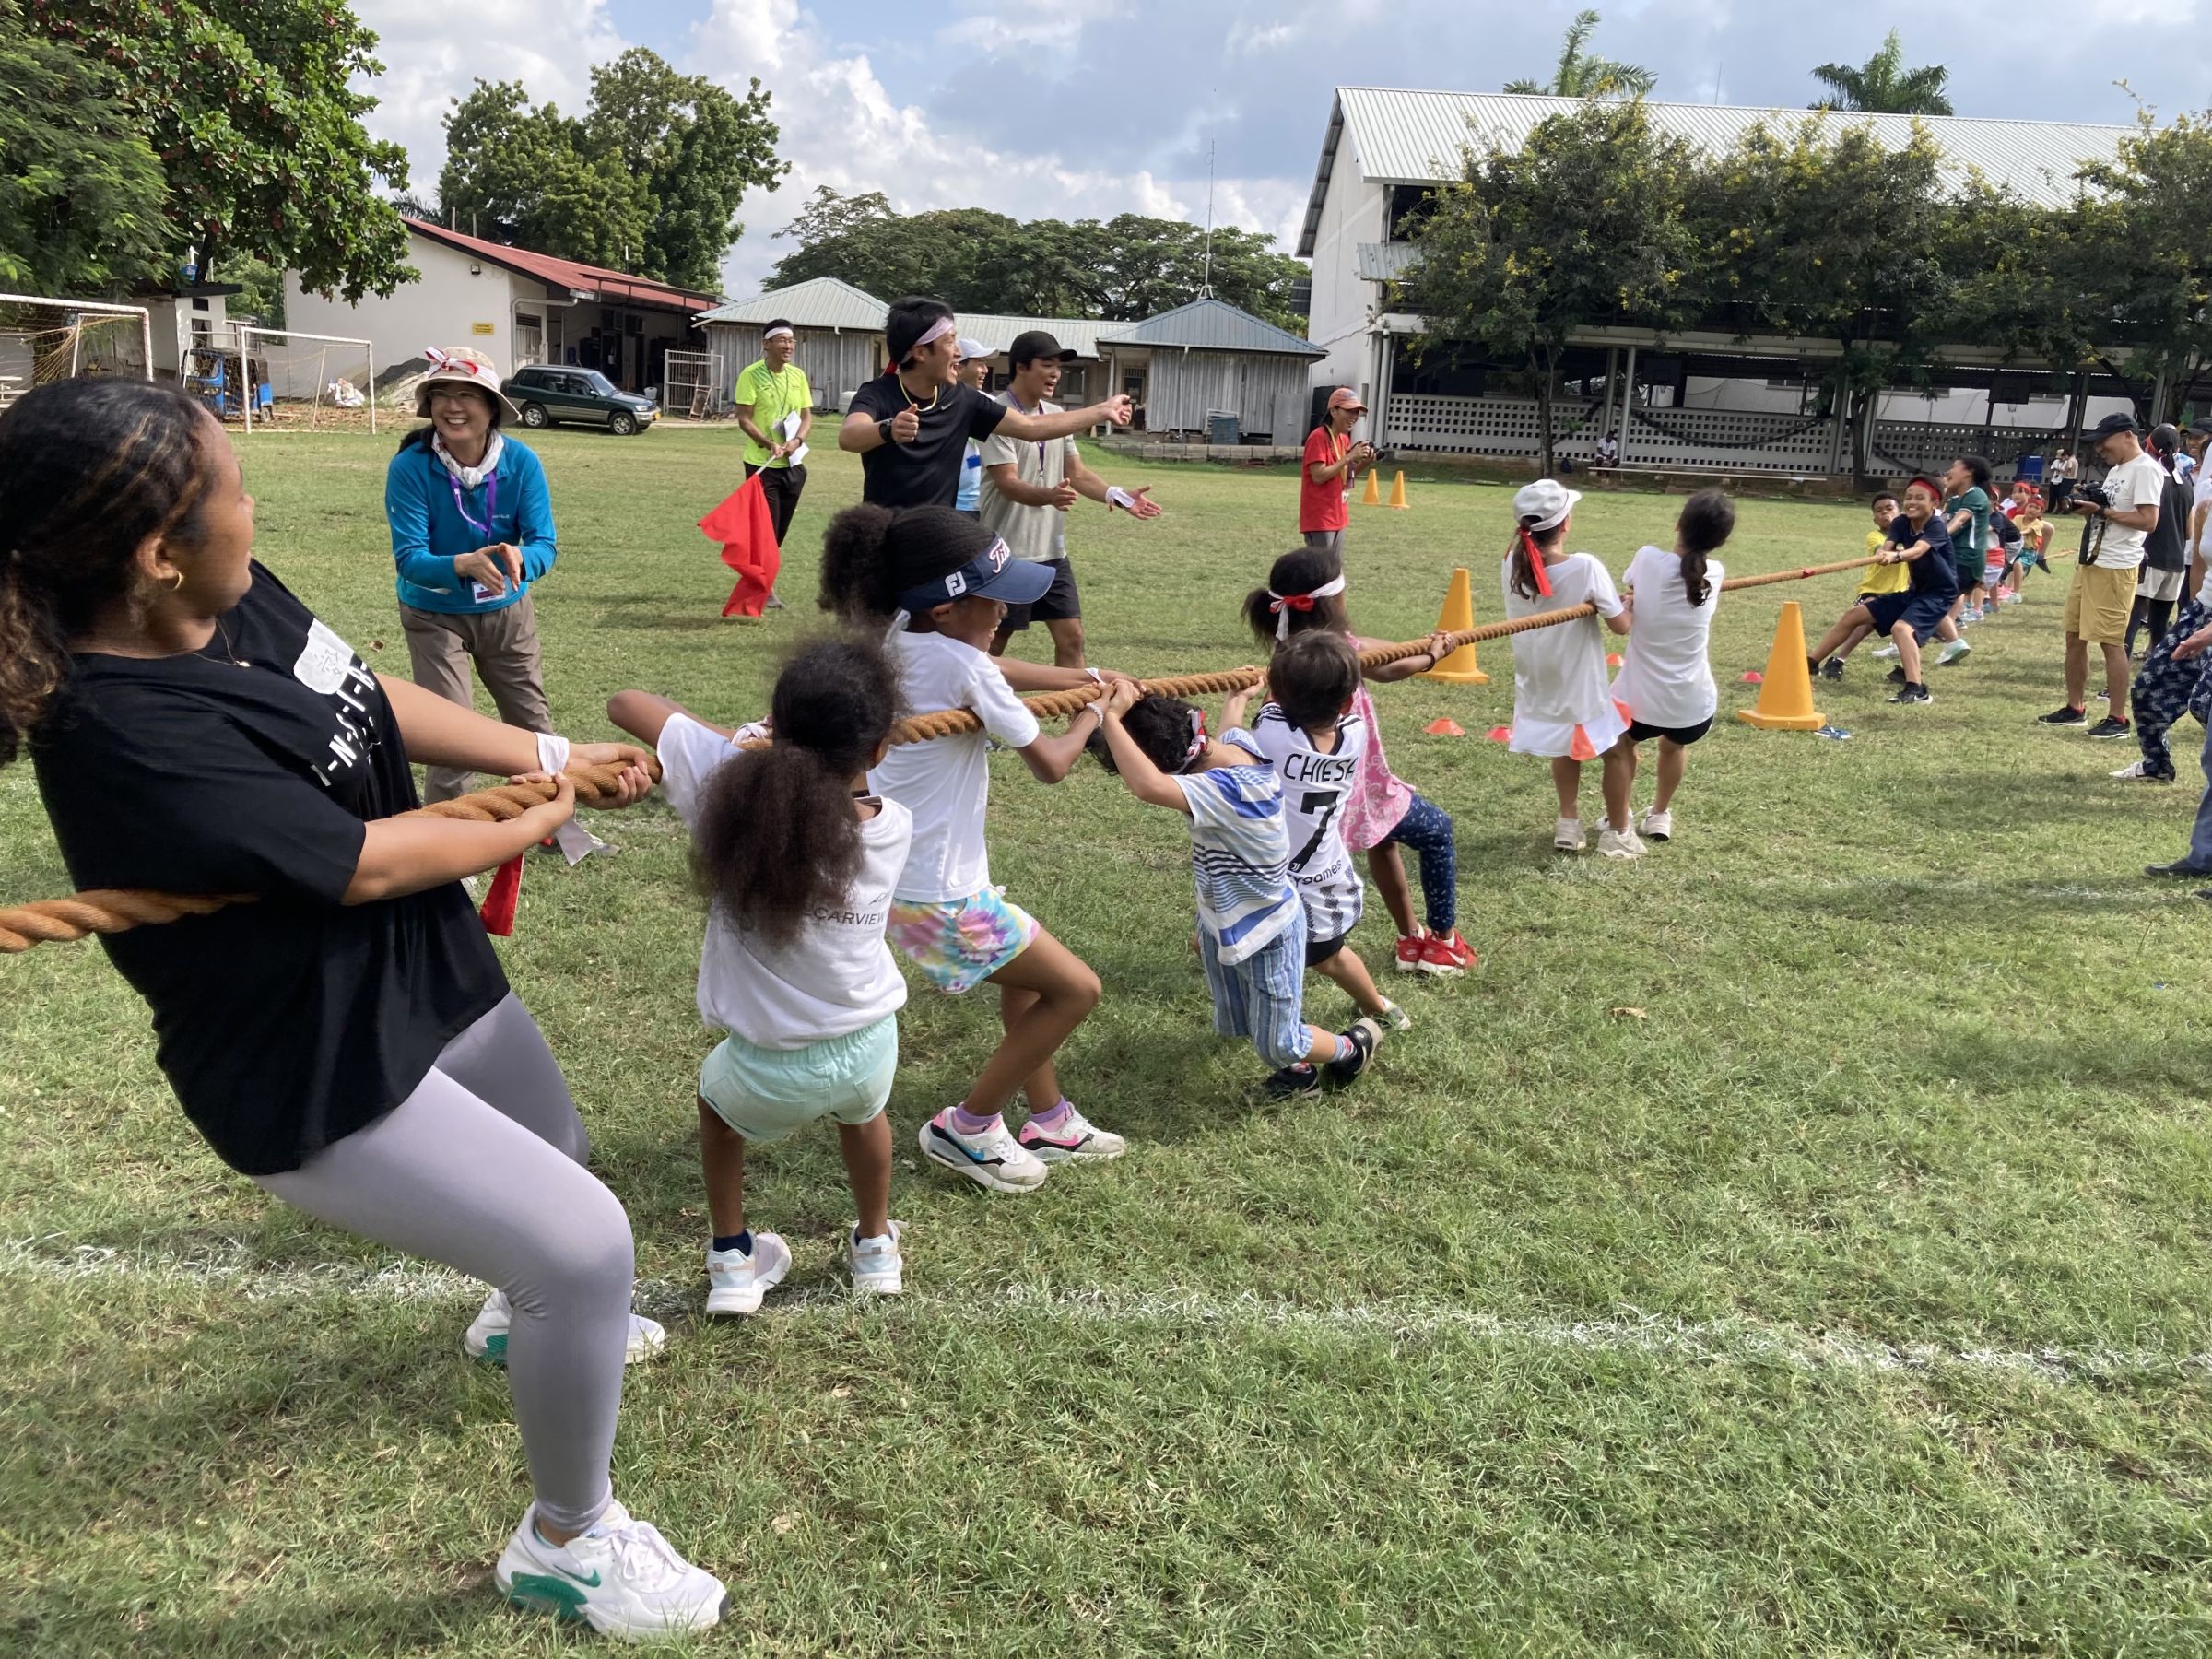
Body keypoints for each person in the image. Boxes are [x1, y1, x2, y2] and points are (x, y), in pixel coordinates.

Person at [0, 378, 724, 1641]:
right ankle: (568, 1540)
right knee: (583, 1245)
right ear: (155, 557)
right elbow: (363, 857)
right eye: (233, 490)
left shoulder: (224, 603)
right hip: (309, 1051)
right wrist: (545, 816)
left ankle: (522, 1319)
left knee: (555, 1155)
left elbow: (365, 695)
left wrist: (544, 756)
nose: (254, 501)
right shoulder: (118, 728)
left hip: (414, 961)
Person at [817, 503, 1121, 1192]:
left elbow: (988, 667)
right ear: (950, 609)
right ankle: (971, 1125)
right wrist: (1096, 711)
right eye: (997, 602)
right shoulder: (969, 669)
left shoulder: (895, 634)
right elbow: (1051, 764)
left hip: (905, 874)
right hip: (941, 892)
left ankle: (1049, 1120)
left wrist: (1083, 676)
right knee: (1076, 990)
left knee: (1027, 985)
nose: (1008, 617)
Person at [606, 639, 912, 1312]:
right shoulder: (896, 828)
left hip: (764, 1068)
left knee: (717, 1116)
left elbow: (625, 705)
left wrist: (736, 742)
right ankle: (876, 1246)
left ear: (775, 730)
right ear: (881, 750)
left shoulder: (729, 796)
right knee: (866, 1118)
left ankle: (732, 1262)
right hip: (869, 1049)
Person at [1088, 678, 1380, 1099]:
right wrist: (1237, 697)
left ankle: (1351, 1049)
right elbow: (1231, 729)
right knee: (1240, 1017)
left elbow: (1147, 786)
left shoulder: (1227, 791)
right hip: (1223, 918)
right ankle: (1296, 1075)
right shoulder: (1241, 753)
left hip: (1270, 929)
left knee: (1280, 1040)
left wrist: (1112, 717)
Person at [1243, 547, 1475, 976]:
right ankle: (1444, 942)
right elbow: (1388, 668)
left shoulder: (1290, 651)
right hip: (1353, 790)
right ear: (1334, 600)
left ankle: (1410, 939)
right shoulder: (1338, 650)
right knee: (1437, 831)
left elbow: (1376, 652)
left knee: (1381, 841)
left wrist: (1424, 643)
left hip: (1309, 793)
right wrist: (1432, 655)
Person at [385, 347, 565, 804]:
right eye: (441, 394)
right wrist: (461, 565)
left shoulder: (521, 463)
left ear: (492, 408)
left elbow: (545, 545)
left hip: (507, 611)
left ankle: (555, 826)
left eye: (467, 394)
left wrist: (522, 559)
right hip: (434, 615)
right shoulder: (410, 467)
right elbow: (409, 559)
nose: (452, 406)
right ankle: (446, 852)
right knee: (452, 736)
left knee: (533, 726)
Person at [1248, 631, 1409, 1033]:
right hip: (1326, 880)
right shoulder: (1354, 734)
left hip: (1282, 881)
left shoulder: (1270, 735)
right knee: (1331, 957)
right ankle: (1380, 1006)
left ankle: (1289, 1032)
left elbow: (1265, 713)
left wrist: (1245, 692)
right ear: (1345, 701)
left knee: (1284, 957)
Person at [981, 329, 1163, 672]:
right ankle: (967, 714)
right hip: (1007, 554)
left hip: (1052, 554)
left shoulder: (1056, 414)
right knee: (993, 642)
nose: (1055, 373)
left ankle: (1081, 721)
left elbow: (1077, 474)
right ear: (1021, 367)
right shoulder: (995, 414)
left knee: (1072, 638)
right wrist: (1047, 496)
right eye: (1046, 364)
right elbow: (1007, 483)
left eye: (1058, 366)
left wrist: (1118, 495)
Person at [840, 297, 1130, 511]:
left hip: (936, 536)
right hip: (882, 537)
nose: (957, 352)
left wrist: (1101, 410)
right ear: (920, 352)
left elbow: (1031, 427)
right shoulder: (879, 393)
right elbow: (849, 436)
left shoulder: (962, 399)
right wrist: (889, 429)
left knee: (985, 595)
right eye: (951, 342)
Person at [1500, 479, 1636, 855]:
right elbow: (1621, 626)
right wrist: (1630, 604)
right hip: (1580, 680)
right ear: (1564, 525)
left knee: (1565, 745)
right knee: (1617, 749)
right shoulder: (1586, 566)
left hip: (1538, 677)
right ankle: (1619, 833)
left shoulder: (1512, 562)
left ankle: (1568, 822)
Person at [1612, 489, 1735, 843]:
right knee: (1674, 745)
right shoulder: (1716, 571)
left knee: (1621, 745)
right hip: (1693, 705)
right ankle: (1660, 813)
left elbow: (1632, 582)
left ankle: (1618, 816)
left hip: (1639, 702)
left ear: (1678, 524)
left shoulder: (1648, 558)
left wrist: (1638, 597)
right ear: (1721, 541)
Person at [2041, 412, 2160, 737]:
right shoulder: (2118, 470)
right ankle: (2075, 707)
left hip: (2117, 565)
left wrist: (2103, 510)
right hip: (2092, 560)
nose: (2100, 451)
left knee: (2111, 642)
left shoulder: (2147, 469)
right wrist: (2090, 508)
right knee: (2074, 636)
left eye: (2104, 443)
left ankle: (2118, 718)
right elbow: (2110, 514)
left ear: (2126, 435)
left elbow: (2149, 521)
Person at [1805, 477, 1957, 707]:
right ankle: (1811, 664)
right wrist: (1884, 554)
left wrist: (1896, 556)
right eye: (1908, 497)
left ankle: (1917, 690)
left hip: (1939, 593)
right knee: (1853, 615)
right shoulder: (1902, 523)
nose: (1912, 502)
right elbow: (1888, 546)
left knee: (1901, 628)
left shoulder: (1936, 526)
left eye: (1919, 498)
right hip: (1915, 591)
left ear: (1934, 503)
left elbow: (1919, 550)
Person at [732, 319, 814, 607]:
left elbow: (806, 417)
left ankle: (761, 578)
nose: (788, 345)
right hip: (762, 465)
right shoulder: (751, 375)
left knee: (777, 533)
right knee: (765, 530)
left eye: (791, 340)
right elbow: (744, 418)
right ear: (766, 344)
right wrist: (768, 443)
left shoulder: (798, 376)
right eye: (781, 340)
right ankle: (764, 588)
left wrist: (797, 441)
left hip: (793, 465)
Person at [2124, 424, 2194, 659]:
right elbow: (2188, 532)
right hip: (2176, 561)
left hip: (2150, 557)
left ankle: (2117, 671)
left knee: (2132, 620)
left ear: (2149, 444)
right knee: (2159, 625)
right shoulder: (2186, 484)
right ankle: (2159, 669)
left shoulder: (2150, 478)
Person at [1821, 491, 1905, 678]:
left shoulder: (1912, 536)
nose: (1885, 513)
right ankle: (1836, 660)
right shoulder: (1874, 536)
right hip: (1873, 591)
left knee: (1909, 628)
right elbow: (1882, 552)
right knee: (1861, 625)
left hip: (1899, 593)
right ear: (1875, 519)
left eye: (1890, 509)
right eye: (1879, 511)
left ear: (1901, 513)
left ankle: (1908, 671)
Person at [1300, 388, 1376, 554]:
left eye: (1357, 412)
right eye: (1349, 411)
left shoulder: (1343, 439)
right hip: (1320, 518)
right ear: (1333, 411)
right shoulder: (1318, 437)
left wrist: (1366, 462)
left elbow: (1347, 474)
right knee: (1321, 572)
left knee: (1333, 571)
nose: (1354, 417)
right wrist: (1349, 457)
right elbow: (1318, 476)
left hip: (1338, 515)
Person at [1941, 454, 1994, 635]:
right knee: (1938, 599)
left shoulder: (1976, 495)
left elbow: (1959, 521)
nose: (1949, 471)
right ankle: (1952, 631)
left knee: (1930, 598)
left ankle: (1907, 636)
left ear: (1968, 472)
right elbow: (1938, 523)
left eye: (1954, 466)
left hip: (1966, 559)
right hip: (1953, 558)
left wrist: (1933, 540)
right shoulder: (1955, 499)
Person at [953, 336, 994, 517]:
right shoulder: (935, 404)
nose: (985, 370)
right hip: (949, 504)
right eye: (980, 363)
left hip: (985, 505)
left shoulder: (992, 405)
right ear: (958, 367)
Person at [2049, 447, 2079, 512]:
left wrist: (2065, 472)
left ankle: (2063, 509)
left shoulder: (2070, 461)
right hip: (2067, 479)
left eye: (2064, 456)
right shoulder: (2075, 460)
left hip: (2067, 479)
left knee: (2062, 496)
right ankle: (2060, 509)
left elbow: (2069, 467)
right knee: (2062, 496)